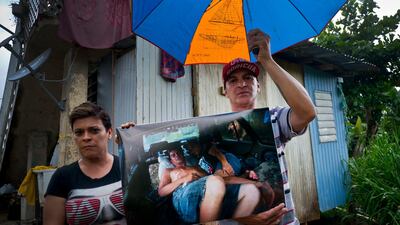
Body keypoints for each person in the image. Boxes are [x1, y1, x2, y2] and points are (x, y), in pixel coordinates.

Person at [224, 29, 317, 225]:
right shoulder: (210, 127)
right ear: (225, 91)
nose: (241, 83)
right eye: (233, 80)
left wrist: (267, 60)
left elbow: (307, 112)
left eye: (248, 78)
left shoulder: (274, 117)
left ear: (258, 86)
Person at [43, 102, 126, 225]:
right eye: (79, 133)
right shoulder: (62, 177)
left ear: (109, 133)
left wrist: (134, 139)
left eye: (94, 130)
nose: (86, 137)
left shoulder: (127, 166)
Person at [158, 148, 261, 224]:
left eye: (178, 153)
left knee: (251, 191)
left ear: (183, 154)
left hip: (207, 193)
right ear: (171, 160)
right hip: (182, 197)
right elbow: (161, 191)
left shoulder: (195, 168)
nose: (177, 156)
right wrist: (183, 179)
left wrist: (252, 180)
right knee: (216, 181)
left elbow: (219, 180)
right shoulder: (169, 171)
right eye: (173, 155)